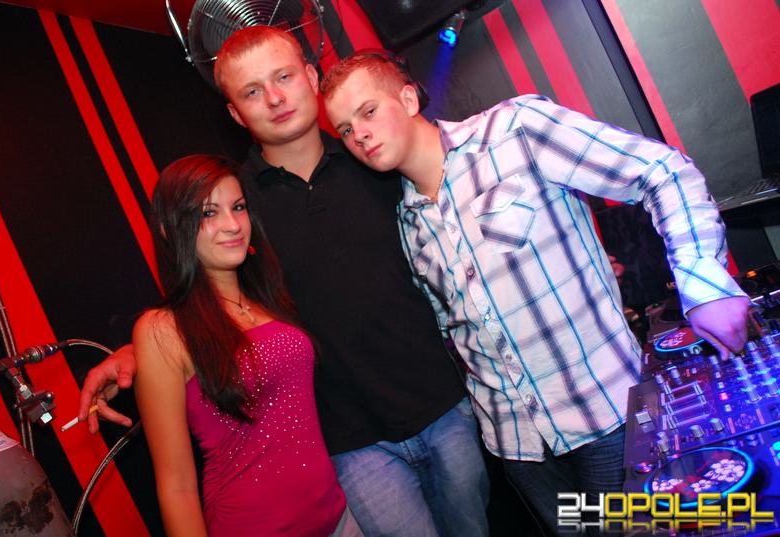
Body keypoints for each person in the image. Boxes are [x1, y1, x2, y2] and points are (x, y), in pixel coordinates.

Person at [77, 27, 490, 537]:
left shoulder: (376, 158)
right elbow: (217, 304)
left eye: (284, 77)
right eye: (253, 91)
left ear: (312, 78)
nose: (274, 98)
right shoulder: (237, 206)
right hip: (349, 443)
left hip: (444, 405)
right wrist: (137, 354)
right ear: (235, 114)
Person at [320, 52, 751, 535]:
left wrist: (703, 282)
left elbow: (661, 170)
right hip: (520, 450)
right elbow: (454, 331)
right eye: (344, 129)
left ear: (407, 98)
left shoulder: (515, 131)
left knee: (647, 530)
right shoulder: (406, 221)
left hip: (609, 418)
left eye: (368, 111)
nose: (359, 134)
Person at [132, 154, 356, 536]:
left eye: (238, 207)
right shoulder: (163, 330)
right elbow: (176, 486)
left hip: (338, 519)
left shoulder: (268, 298)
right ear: (171, 229)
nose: (233, 225)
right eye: (209, 213)